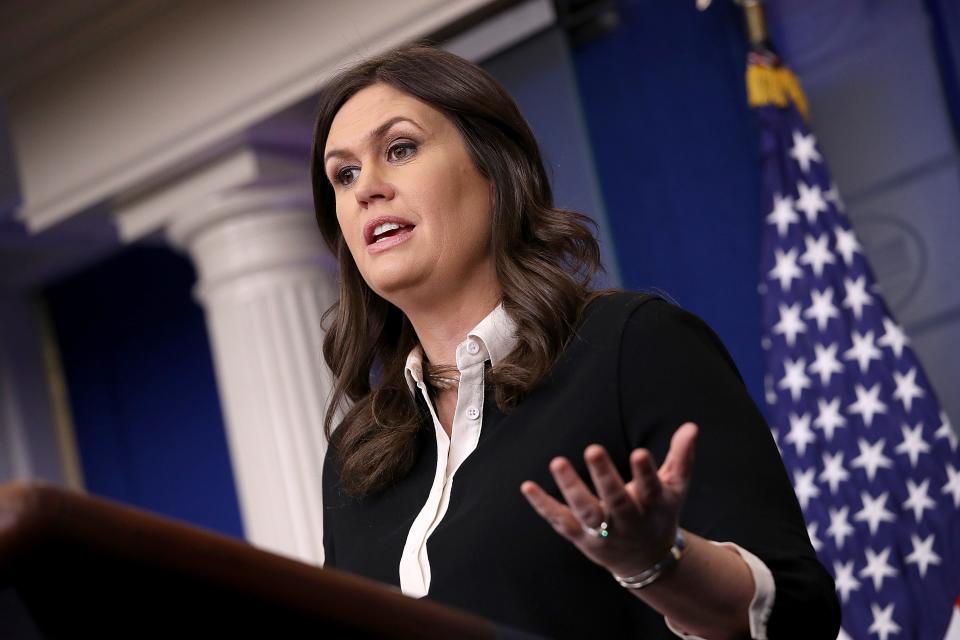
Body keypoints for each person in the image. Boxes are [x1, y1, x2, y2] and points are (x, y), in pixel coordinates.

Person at [311, 44, 839, 639]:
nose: (366, 190)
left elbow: (797, 613)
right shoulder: (357, 459)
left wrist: (657, 565)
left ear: (496, 169)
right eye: (344, 174)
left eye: (400, 149)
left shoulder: (632, 348)